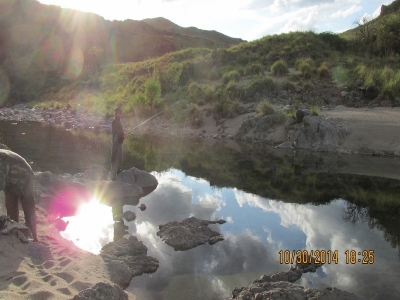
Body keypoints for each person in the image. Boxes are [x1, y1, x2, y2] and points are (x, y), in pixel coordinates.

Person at [0, 149, 38, 242]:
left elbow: (0, 183)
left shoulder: (1, 159)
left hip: (25, 176)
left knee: (28, 210)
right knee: (11, 211)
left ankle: (34, 237)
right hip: (11, 182)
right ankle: (17, 236)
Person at [110, 106, 125, 180]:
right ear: (116, 113)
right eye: (119, 113)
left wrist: (122, 134)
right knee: (115, 156)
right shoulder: (114, 121)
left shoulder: (118, 121)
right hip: (116, 141)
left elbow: (120, 132)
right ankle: (113, 174)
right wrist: (122, 134)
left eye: (121, 113)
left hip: (119, 140)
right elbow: (116, 131)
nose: (120, 114)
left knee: (119, 156)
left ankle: (118, 171)